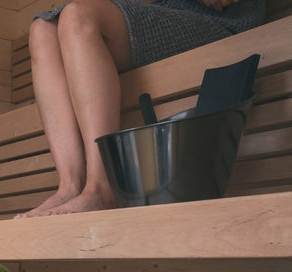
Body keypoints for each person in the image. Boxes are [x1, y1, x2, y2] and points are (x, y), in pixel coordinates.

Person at [16, 0, 265, 218]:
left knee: (78, 15)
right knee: (42, 29)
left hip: (218, 18)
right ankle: (69, 186)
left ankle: (100, 187)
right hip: (157, 8)